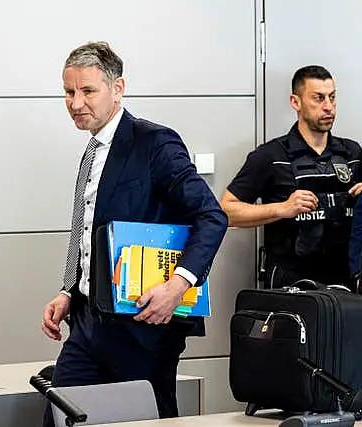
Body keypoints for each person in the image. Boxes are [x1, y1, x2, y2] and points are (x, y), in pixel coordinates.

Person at [41, 41, 227, 426]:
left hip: (144, 325)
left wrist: (177, 287)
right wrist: (68, 289)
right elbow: (87, 228)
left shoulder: (155, 143)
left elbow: (212, 216)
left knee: (145, 421)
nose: (76, 103)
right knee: (61, 417)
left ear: (118, 88)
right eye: (68, 91)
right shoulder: (92, 151)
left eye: (87, 91)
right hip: (88, 323)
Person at [221, 65, 362, 289]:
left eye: (332, 98)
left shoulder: (352, 153)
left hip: (345, 284)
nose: (328, 107)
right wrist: (282, 208)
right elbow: (225, 211)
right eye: (318, 98)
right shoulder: (270, 156)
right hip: (290, 286)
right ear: (296, 102)